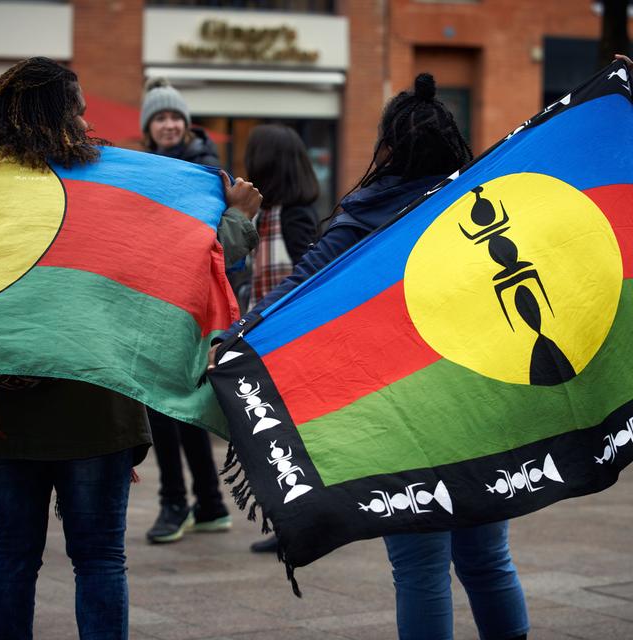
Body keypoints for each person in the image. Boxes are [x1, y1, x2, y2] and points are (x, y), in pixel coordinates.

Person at [210, 73, 529, 640]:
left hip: (405, 419)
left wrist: (233, 338)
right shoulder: (482, 205)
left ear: (388, 148)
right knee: (486, 559)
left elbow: (300, 290)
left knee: (419, 569)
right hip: (482, 408)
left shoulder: (366, 214)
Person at [0, 57, 260, 640]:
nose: (87, 117)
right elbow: (196, 266)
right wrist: (237, 220)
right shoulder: (112, 185)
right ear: (61, 113)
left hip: (4, 419)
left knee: (8, 563)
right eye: (78, 106)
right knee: (98, 560)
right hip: (97, 414)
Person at [140, 79, 259, 543]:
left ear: (185, 124)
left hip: (187, 299)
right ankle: (207, 504)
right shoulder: (149, 166)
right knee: (181, 403)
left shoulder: (206, 171)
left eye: (174, 117)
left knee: (163, 404)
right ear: (149, 126)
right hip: (164, 293)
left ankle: (176, 504)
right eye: (160, 117)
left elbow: (213, 239)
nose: (168, 124)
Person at [242, 124, 320, 552]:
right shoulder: (268, 213)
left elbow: (307, 277)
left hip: (291, 345)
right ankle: (292, 522)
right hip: (269, 343)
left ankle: (300, 523)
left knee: (290, 438)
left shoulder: (296, 215)